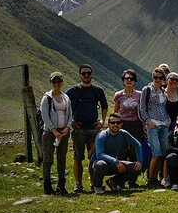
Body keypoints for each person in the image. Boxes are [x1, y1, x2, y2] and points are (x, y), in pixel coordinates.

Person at [66, 64, 108, 193]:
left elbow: (104, 106)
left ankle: (93, 183)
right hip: (79, 129)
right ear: (79, 75)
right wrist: (71, 121)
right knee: (78, 156)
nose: (86, 75)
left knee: (94, 157)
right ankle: (78, 185)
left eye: (88, 73)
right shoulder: (72, 91)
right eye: (83, 73)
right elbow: (65, 106)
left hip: (94, 128)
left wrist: (102, 121)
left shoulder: (98, 90)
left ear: (92, 74)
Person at [89, 114, 142, 194]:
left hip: (113, 163)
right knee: (101, 164)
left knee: (135, 167)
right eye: (112, 123)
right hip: (97, 162)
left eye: (118, 123)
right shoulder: (102, 135)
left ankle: (113, 181)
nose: (115, 125)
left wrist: (140, 161)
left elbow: (137, 144)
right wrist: (116, 162)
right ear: (108, 124)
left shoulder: (123, 133)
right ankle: (97, 186)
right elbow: (100, 154)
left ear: (121, 124)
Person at [40, 72, 73, 196]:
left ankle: (61, 185)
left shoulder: (66, 98)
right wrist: (53, 130)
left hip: (63, 133)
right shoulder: (47, 98)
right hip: (50, 133)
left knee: (62, 158)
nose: (56, 84)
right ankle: (47, 187)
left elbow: (70, 113)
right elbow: (44, 115)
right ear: (50, 83)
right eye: (54, 81)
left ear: (62, 82)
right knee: (48, 159)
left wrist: (67, 127)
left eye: (59, 81)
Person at [139, 67, 171, 188]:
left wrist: (168, 119)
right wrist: (147, 120)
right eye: (155, 77)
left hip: (164, 125)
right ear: (152, 77)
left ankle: (157, 178)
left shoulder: (163, 91)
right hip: (152, 125)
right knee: (156, 153)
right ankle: (151, 179)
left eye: (160, 77)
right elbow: (142, 108)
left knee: (162, 153)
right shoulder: (146, 89)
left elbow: (164, 108)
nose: (157, 79)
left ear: (163, 79)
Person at [113, 69, 143, 188]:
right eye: (127, 78)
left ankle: (132, 180)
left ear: (135, 81)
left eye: (131, 79)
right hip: (122, 124)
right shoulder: (118, 95)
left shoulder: (140, 95)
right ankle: (120, 181)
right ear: (123, 81)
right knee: (122, 152)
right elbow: (116, 111)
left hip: (136, 125)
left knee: (134, 152)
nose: (129, 80)